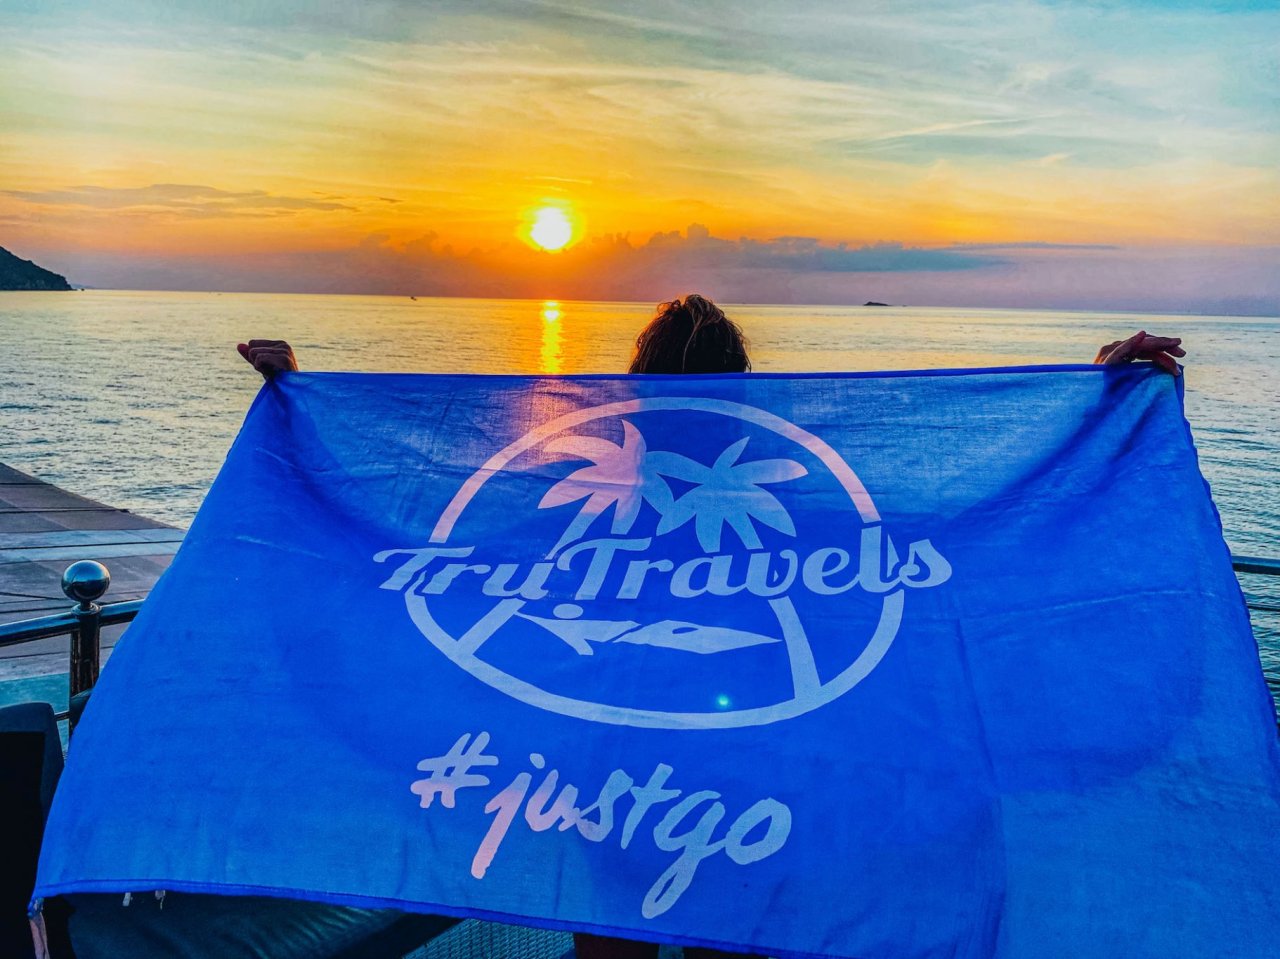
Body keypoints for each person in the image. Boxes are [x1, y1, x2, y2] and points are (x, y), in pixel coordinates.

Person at [238, 298, 1184, 959]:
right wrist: (1099, 406)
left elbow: (405, 545)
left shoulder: (587, 509)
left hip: (617, 770)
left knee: (619, 944)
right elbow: (970, 528)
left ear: (636, 383)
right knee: (726, 942)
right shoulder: (786, 509)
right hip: (744, 768)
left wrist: (300, 409)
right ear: (743, 387)